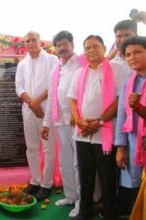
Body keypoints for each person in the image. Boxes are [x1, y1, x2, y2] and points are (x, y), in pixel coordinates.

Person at [68, 35, 129, 220]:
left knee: (107, 178)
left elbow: (120, 99)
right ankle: (85, 213)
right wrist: (78, 120)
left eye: (95, 46)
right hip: (82, 134)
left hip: (105, 133)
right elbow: (72, 98)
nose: (91, 50)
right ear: (84, 51)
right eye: (87, 47)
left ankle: (110, 214)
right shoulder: (80, 73)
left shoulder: (117, 69)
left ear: (104, 48)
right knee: (85, 177)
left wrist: (100, 121)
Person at [15, 31, 58, 201]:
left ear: (40, 42)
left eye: (34, 40)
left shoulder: (52, 60)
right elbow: (19, 87)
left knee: (48, 149)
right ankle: (35, 181)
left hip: (46, 109)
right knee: (31, 148)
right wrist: (32, 104)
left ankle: (46, 184)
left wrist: (38, 102)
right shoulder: (22, 64)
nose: (31, 43)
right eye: (28, 41)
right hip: (28, 110)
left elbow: (53, 84)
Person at [41, 31, 80, 217]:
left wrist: (78, 113)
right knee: (65, 162)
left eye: (65, 44)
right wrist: (46, 123)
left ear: (72, 45)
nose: (62, 48)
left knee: (78, 163)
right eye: (59, 45)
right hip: (60, 121)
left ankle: (83, 201)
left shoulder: (82, 63)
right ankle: (70, 195)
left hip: (77, 121)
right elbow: (51, 98)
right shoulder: (56, 69)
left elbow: (85, 91)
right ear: (55, 48)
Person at [115, 36, 146, 218]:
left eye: (137, 52)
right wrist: (120, 148)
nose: (132, 57)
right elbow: (121, 118)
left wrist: (139, 108)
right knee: (135, 190)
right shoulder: (128, 84)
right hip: (134, 144)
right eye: (128, 54)